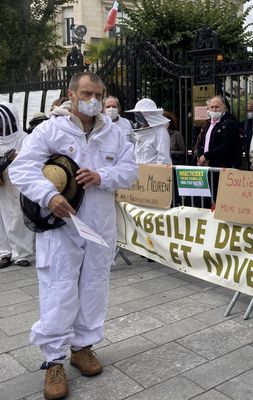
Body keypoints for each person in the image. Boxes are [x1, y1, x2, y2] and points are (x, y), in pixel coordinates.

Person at [8, 72, 137, 400]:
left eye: (98, 94)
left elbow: (130, 171)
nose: (92, 99)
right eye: (86, 93)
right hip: (61, 225)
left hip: (99, 225)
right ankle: (53, 360)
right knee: (58, 287)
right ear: (72, 94)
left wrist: (102, 175)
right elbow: (21, 169)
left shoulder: (114, 133)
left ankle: (83, 348)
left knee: (94, 285)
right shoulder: (51, 129)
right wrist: (48, 196)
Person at [0, 102, 35, 269]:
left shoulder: (25, 138)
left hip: (19, 185)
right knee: (1, 217)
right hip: (1, 185)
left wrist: (15, 157)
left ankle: (22, 253)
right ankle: (4, 252)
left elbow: (33, 157)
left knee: (19, 217)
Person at [193, 95, 242, 168]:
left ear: (224, 108)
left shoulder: (229, 123)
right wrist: (200, 157)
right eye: (212, 107)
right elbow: (201, 143)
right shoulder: (208, 124)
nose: (214, 110)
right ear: (208, 109)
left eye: (217, 107)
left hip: (222, 167)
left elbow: (227, 145)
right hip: (207, 166)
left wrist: (207, 156)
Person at [126, 98, 171, 165]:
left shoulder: (160, 132)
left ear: (147, 114)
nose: (136, 115)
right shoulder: (141, 132)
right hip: (139, 172)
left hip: (153, 173)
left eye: (138, 113)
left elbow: (163, 159)